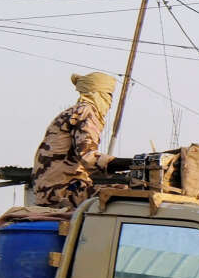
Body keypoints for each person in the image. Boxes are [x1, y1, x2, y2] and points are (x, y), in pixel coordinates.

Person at [31, 72, 127, 209]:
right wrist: (134, 163)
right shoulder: (86, 112)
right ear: (97, 94)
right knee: (128, 193)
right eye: (108, 95)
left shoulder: (73, 112)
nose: (110, 103)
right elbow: (89, 158)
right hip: (61, 192)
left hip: (51, 190)